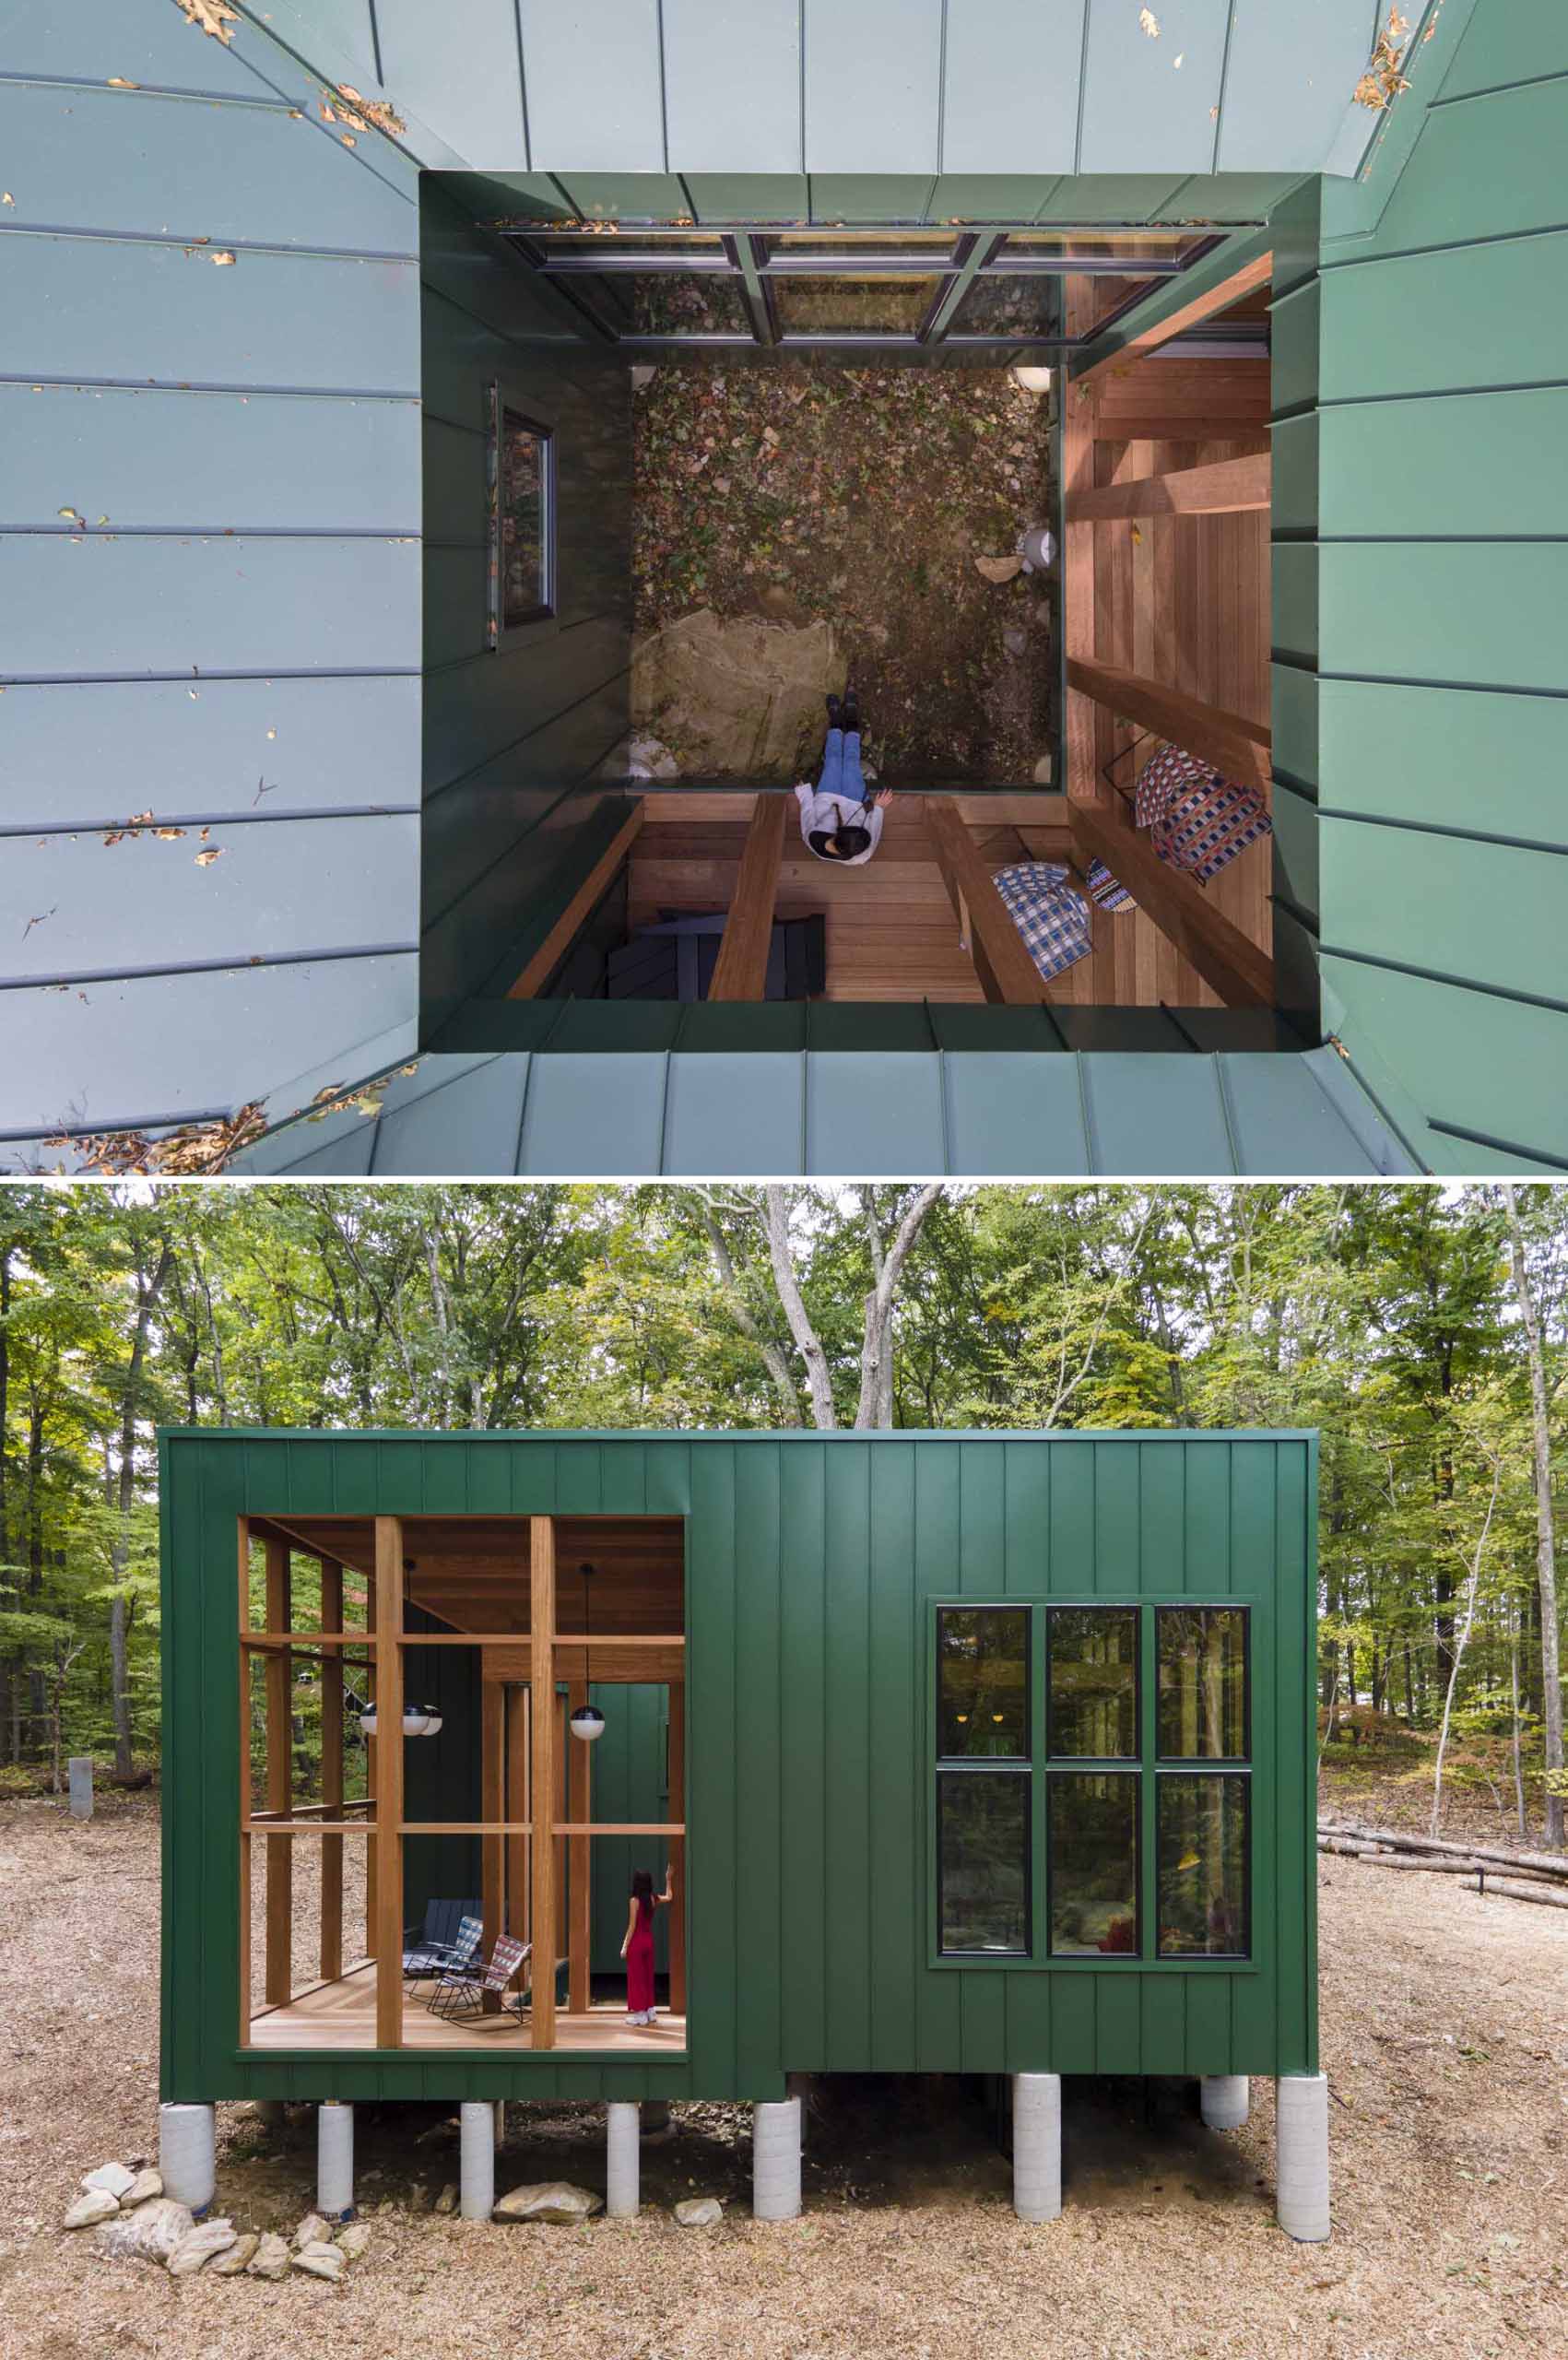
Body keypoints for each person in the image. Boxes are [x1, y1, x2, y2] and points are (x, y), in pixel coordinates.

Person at [794, 688, 894, 864]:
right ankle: (852, 719)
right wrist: (878, 808)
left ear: (837, 832)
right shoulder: (864, 851)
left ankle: (836, 723)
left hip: (826, 798)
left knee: (832, 760)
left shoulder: (813, 838)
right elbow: (874, 829)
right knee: (850, 762)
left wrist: (804, 793)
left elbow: (808, 813)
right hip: (852, 801)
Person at [620, 1862, 674, 2025]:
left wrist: (624, 1946)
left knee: (636, 1979)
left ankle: (640, 2015)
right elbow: (670, 1897)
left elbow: (632, 1926)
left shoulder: (634, 1901)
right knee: (647, 1977)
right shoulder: (653, 1898)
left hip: (636, 1943)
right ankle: (650, 2011)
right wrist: (668, 1879)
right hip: (649, 1942)